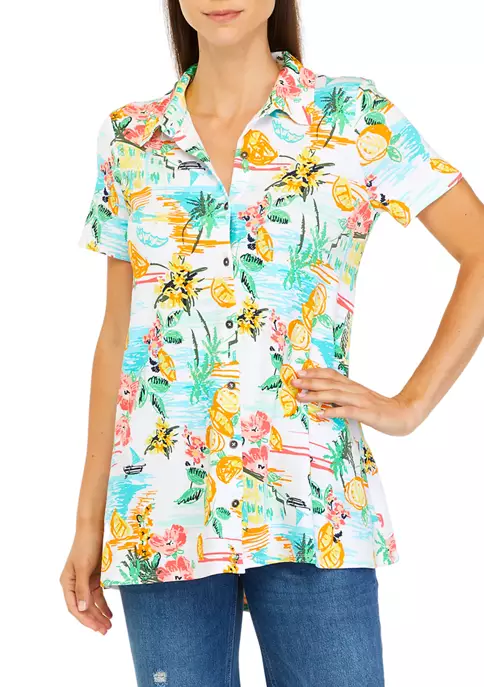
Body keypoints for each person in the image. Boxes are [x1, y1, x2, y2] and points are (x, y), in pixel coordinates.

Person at [60, 1, 484, 685]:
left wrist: (409, 406)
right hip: (161, 513)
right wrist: (88, 525)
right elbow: (118, 339)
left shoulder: (352, 116)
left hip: (313, 507)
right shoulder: (131, 138)